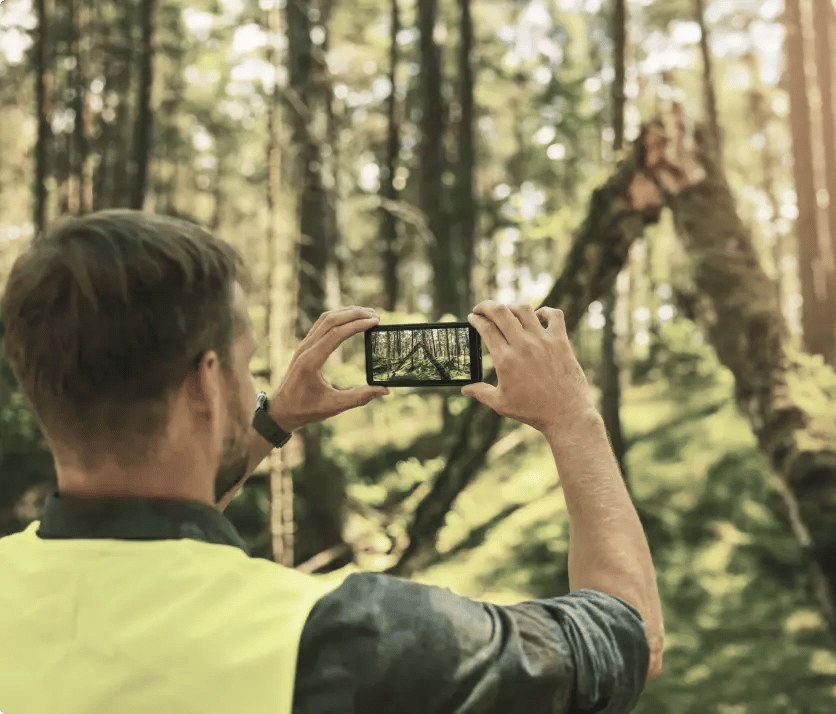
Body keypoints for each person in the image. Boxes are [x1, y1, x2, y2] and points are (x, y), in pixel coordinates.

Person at [0, 209, 663, 714]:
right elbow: (627, 636)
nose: (251, 380)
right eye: (244, 363)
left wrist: (269, 417)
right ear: (205, 383)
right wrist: (573, 417)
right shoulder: (330, 636)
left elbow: (141, 522)